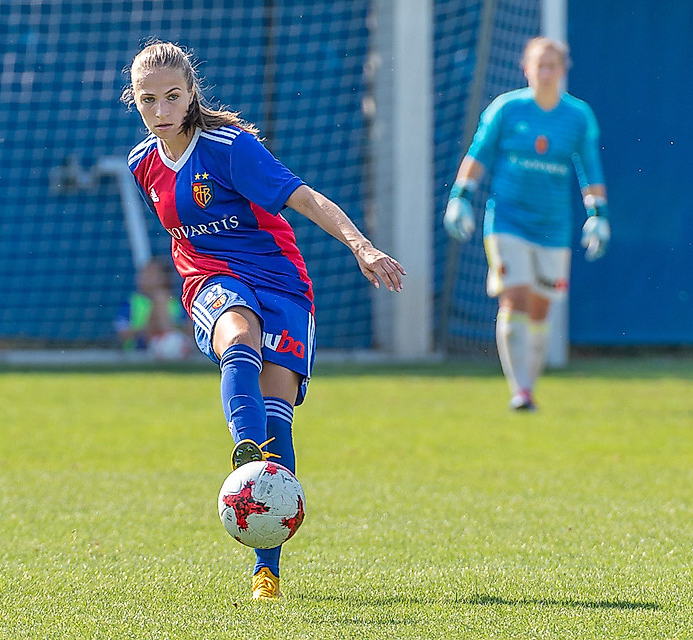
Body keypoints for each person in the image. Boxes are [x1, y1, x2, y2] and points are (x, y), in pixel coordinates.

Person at [121, 40, 405, 600]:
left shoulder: (231, 149)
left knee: (280, 419)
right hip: (211, 279)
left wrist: (362, 246)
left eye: (172, 96)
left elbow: (305, 199)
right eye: (148, 99)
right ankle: (247, 452)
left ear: (191, 94)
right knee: (237, 330)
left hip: (281, 283)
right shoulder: (142, 164)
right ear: (135, 100)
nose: (161, 109)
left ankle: (266, 570)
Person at [444, 36, 610, 412]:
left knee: (540, 307)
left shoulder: (578, 115)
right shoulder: (507, 108)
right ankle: (518, 389)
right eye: (540, 65)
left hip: (553, 226)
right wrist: (460, 197)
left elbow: (589, 167)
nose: (546, 73)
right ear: (526, 69)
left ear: (563, 70)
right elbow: (479, 153)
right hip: (507, 221)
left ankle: (529, 386)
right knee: (515, 295)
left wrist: (598, 215)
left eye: (553, 66)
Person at [114, 256, 192, 360]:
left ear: (164, 277)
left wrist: (168, 326)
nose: (144, 277)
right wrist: (151, 326)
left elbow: (189, 331)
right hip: (136, 354)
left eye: (151, 273)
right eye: (143, 273)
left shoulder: (176, 303)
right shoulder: (131, 302)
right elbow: (123, 334)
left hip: (172, 346)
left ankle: (166, 344)